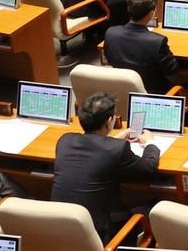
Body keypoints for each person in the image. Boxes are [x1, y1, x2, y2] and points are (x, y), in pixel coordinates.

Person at [51, 91, 159, 242]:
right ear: (109, 121)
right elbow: (149, 168)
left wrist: (111, 140)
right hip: (103, 235)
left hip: (61, 228)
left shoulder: (64, 141)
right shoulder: (117, 149)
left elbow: (94, 155)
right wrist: (150, 143)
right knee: (155, 207)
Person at [103, 0, 178, 93]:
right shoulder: (157, 41)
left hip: (123, 90)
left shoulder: (111, 33)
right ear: (151, 13)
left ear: (128, 8)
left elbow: (109, 60)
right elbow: (171, 70)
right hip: (154, 93)